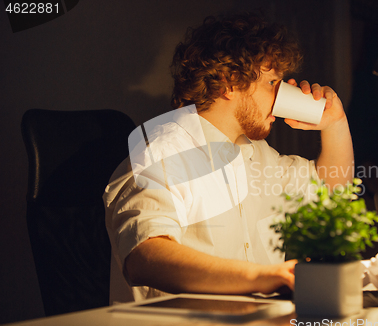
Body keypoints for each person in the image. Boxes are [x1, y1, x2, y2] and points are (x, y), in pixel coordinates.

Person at [103, 12, 354, 304]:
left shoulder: (256, 154)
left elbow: (332, 191)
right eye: (273, 83)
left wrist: (335, 123)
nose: (282, 96)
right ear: (229, 82)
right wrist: (265, 276)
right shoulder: (162, 152)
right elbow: (144, 257)